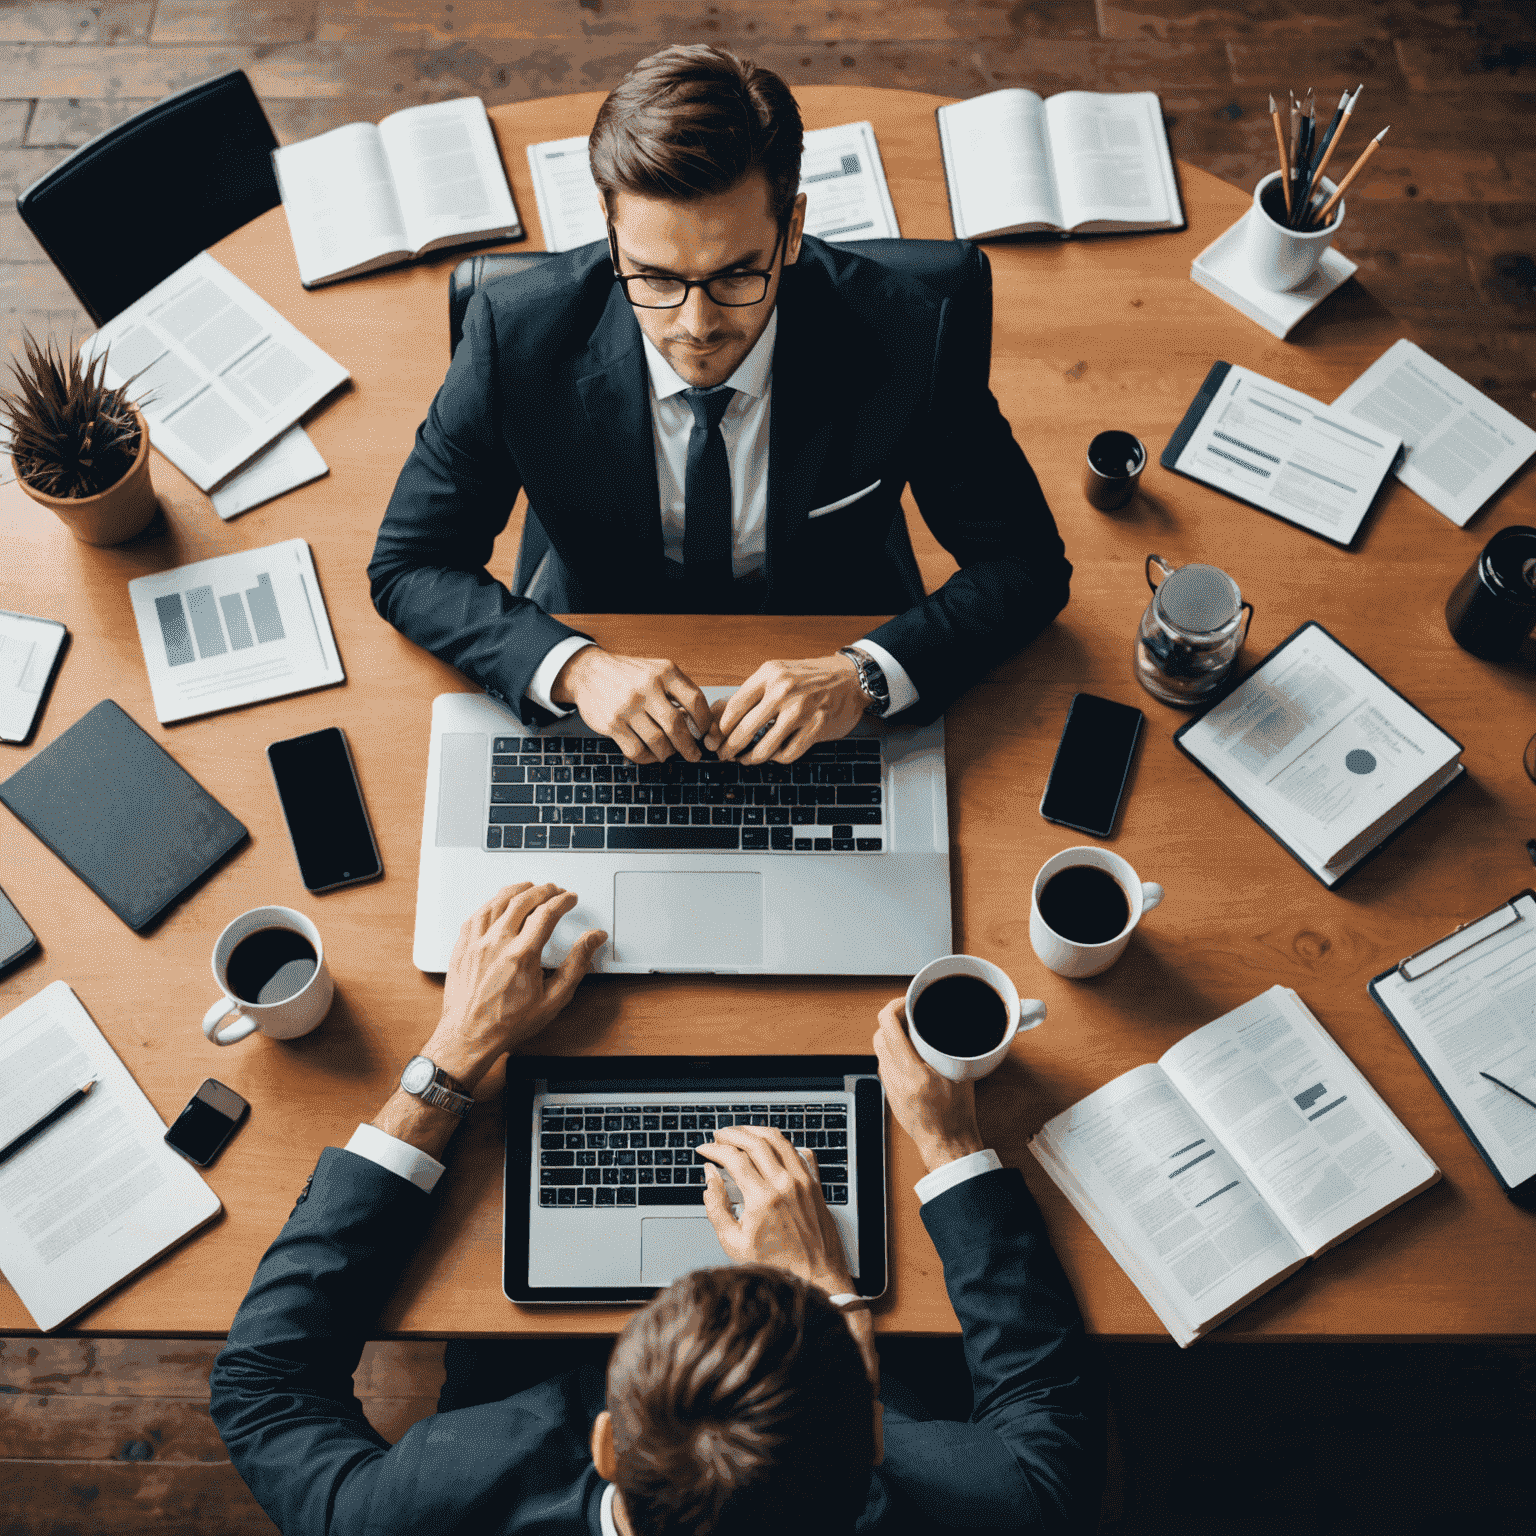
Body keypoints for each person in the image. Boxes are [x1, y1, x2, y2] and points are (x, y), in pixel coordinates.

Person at [210, 884, 1102, 1535]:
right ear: (870, 1437)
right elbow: (1044, 1422)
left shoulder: (432, 1498)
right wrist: (854, 1263)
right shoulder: (995, 1507)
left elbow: (263, 1391)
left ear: (605, 1443)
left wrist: (452, 1056)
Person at [367, 45, 1070, 768]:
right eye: (654, 276)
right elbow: (410, 565)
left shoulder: (912, 334)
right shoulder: (511, 338)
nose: (694, 326)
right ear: (610, 229)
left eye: (736, 274)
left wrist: (863, 674)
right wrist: (576, 668)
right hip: (605, 640)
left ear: (792, 230)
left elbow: (1026, 564)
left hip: (832, 641)